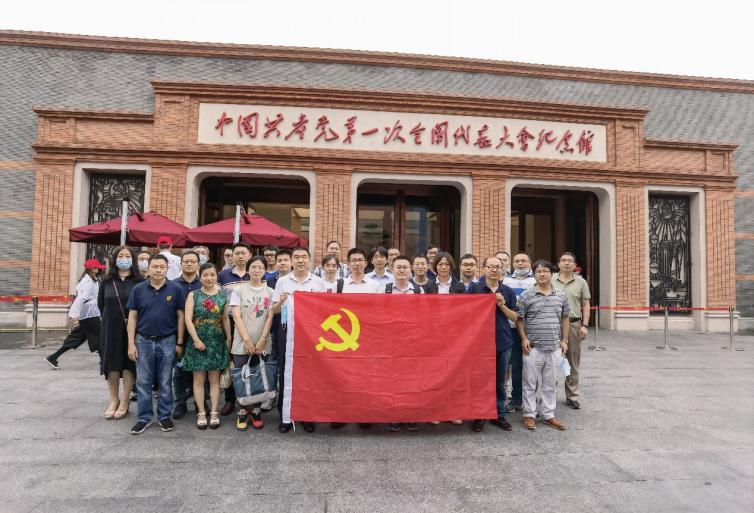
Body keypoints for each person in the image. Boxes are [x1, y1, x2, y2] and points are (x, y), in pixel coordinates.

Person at [126, 254, 186, 435]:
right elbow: (132, 317)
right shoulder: (138, 289)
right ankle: (144, 418)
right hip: (143, 341)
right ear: (148, 268)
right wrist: (131, 344)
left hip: (167, 341)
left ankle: (164, 416)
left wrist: (179, 342)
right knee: (143, 381)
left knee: (165, 380)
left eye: (162, 267)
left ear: (167, 268)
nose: (158, 270)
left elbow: (181, 317)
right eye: (155, 266)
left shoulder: (175, 289)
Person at [271, 247, 326, 433]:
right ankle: (285, 416)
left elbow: (324, 311)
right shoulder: (282, 282)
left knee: (309, 375)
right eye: (297, 257)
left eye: (304, 257)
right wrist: (281, 301)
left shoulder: (318, 282)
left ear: (309, 260)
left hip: (311, 334)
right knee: (286, 372)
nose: (300, 260)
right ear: (292, 261)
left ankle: (307, 415)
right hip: (286, 332)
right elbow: (274, 311)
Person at [516, 260, 570, 431]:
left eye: (545, 271)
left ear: (552, 274)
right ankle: (529, 415)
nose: (542, 274)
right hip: (533, 348)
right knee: (529, 383)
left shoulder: (561, 295)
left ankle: (548, 414)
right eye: (538, 271)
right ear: (534, 274)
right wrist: (523, 338)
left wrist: (564, 340)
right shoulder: (526, 296)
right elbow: (519, 319)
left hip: (554, 347)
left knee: (550, 384)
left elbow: (565, 318)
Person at [467, 256, 518, 432]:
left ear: (502, 269)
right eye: (491, 266)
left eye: (498, 267)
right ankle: (480, 415)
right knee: (480, 380)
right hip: (479, 343)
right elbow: (466, 312)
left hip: (502, 341)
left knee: (499, 381)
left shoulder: (508, 291)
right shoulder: (474, 288)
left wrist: (502, 305)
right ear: (484, 268)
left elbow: (515, 317)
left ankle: (499, 414)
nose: (494, 269)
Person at [183, 263, 231, 430]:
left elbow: (225, 318)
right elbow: (188, 319)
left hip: (217, 341)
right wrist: (196, 340)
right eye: (205, 275)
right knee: (198, 380)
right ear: (200, 276)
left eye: (212, 275)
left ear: (216, 276)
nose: (209, 278)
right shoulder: (193, 295)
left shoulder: (222, 295)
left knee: (214, 380)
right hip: (197, 342)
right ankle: (202, 412)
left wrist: (229, 338)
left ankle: (214, 412)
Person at [98, 246, 143, 420]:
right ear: (115, 260)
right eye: (121, 256)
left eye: (127, 256)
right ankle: (113, 400)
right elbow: (101, 304)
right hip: (110, 328)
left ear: (133, 259)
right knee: (111, 363)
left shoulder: (139, 281)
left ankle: (125, 401)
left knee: (129, 363)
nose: (124, 259)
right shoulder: (107, 281)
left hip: (133, 328)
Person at [230, 256, 275, 431]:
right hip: (242, 342)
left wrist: (262, 339)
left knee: (258, 377)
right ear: (248, 269)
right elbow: (236, 316)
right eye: (254, 267)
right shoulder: (239, 290)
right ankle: (242, 411)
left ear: (265, 270)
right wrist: (247, 340)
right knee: (241, 377)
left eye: (260, 267)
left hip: (263, 342)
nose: (257, 270)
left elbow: (270, 316)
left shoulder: (270, 292)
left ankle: (256, 411)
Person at [381, 255, 424, 432]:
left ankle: (410, 415)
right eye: (398, 267)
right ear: (392, 269)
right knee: (391, 380)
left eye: (405, 267)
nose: (401, 270)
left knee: (411, 380)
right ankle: (393, 415)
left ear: (410, 270)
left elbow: (423, 315)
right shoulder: (384, 289)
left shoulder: (418, 291)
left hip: (411, 343)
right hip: (389, 343)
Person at [45, 258, 104, 371]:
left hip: (89, 314)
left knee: (77, 338)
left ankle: (53, 357)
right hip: (89, 315)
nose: (99, 269)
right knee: (101, 335)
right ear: (92, 269)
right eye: (97, 267)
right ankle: (104, 361)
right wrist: (74, 314)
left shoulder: (92, 280)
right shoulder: (88, 282)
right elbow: (81, 299)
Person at [217, 242, 253, 416]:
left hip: (250, 322)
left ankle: (249, 399)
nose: (239, 256)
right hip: (229, 321)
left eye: (243, 253)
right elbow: (218, 299)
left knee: (249, 359)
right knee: (230, 360)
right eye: (236, 253)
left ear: (249, 255)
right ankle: (230, 399)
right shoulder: (223, 275)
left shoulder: (254, 273)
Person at [552, 252, 591, 410]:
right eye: (563, 260)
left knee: (572, 361)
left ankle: (572, 395)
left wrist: (585, 325)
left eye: (570, 261)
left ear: (575, 265)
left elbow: (586, 304)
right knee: (551, 360)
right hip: (553, 324)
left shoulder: (581, 282)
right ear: (558, 264)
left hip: (574, 324)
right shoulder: (550, 279)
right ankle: (550, 394)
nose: (566, 263)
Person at [503, 252, 537, 413]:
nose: (520, 263)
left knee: (534, 366)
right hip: (511, 328)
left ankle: (533, 398)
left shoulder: (536, 281)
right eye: (517, 261)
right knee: (516, 365)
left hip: (531, 329)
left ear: (530, 263)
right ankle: (517, 399)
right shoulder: (506, 280)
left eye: (524, 261)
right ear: (512, 264)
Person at [171, 251, 202, 419]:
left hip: (201, 334)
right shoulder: (173, 285)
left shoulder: (204, 283)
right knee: (179, 371)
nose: (189, 264)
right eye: (186, 261)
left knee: (201, 370)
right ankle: (180, 403)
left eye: (193, 261)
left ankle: (200, 402)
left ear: (198, 264)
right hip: (179, 334)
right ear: (181, 264)